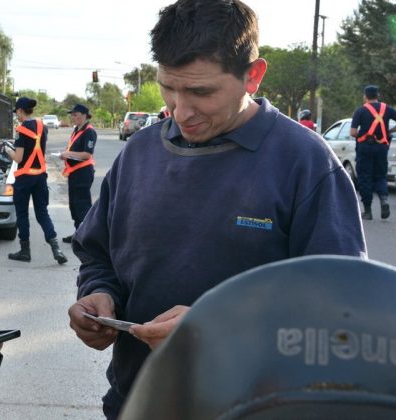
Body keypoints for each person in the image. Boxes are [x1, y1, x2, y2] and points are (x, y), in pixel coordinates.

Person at [65, 1, 367, 418]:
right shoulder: (139, 153)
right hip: (137, 403)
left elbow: (342, 305)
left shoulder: (305, 163)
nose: (179, 111)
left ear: (253, 76)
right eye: (169, 88)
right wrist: (97, 295)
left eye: (201, 92)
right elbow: (97, 253)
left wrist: (223, 325)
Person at [2, 97, 68, 264]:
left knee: (22, 214)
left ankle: (25, 251)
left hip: (24, 179)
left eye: (16, 112)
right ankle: (56, 248)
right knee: (42, 213)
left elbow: (18, 157)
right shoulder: (42, 127)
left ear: (19, 111)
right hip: (40, 178)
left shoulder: (22, 129)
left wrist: (7, 150)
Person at [350, 85, 396, 220]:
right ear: (377, 95)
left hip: (365, 148)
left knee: (365, 177)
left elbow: (353, 132)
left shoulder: (360, 111)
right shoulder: (386, 109)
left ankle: (368, 211)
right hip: (381, 147)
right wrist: (389, 131)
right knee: (380, 175)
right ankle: (384, 200)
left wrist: (362, 135)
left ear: (365, 96)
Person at [59, 104, 97, 243]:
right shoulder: (76, 130)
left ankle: (88, 237)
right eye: (72, 115)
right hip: (74, 172)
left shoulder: (89, 132)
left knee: (82, 205)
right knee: (74, 205)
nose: (73, 117)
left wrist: (68, 154)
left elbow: (87, 154)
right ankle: (78, 232)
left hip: (83, 172)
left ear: (84, 115)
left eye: (75, 115)